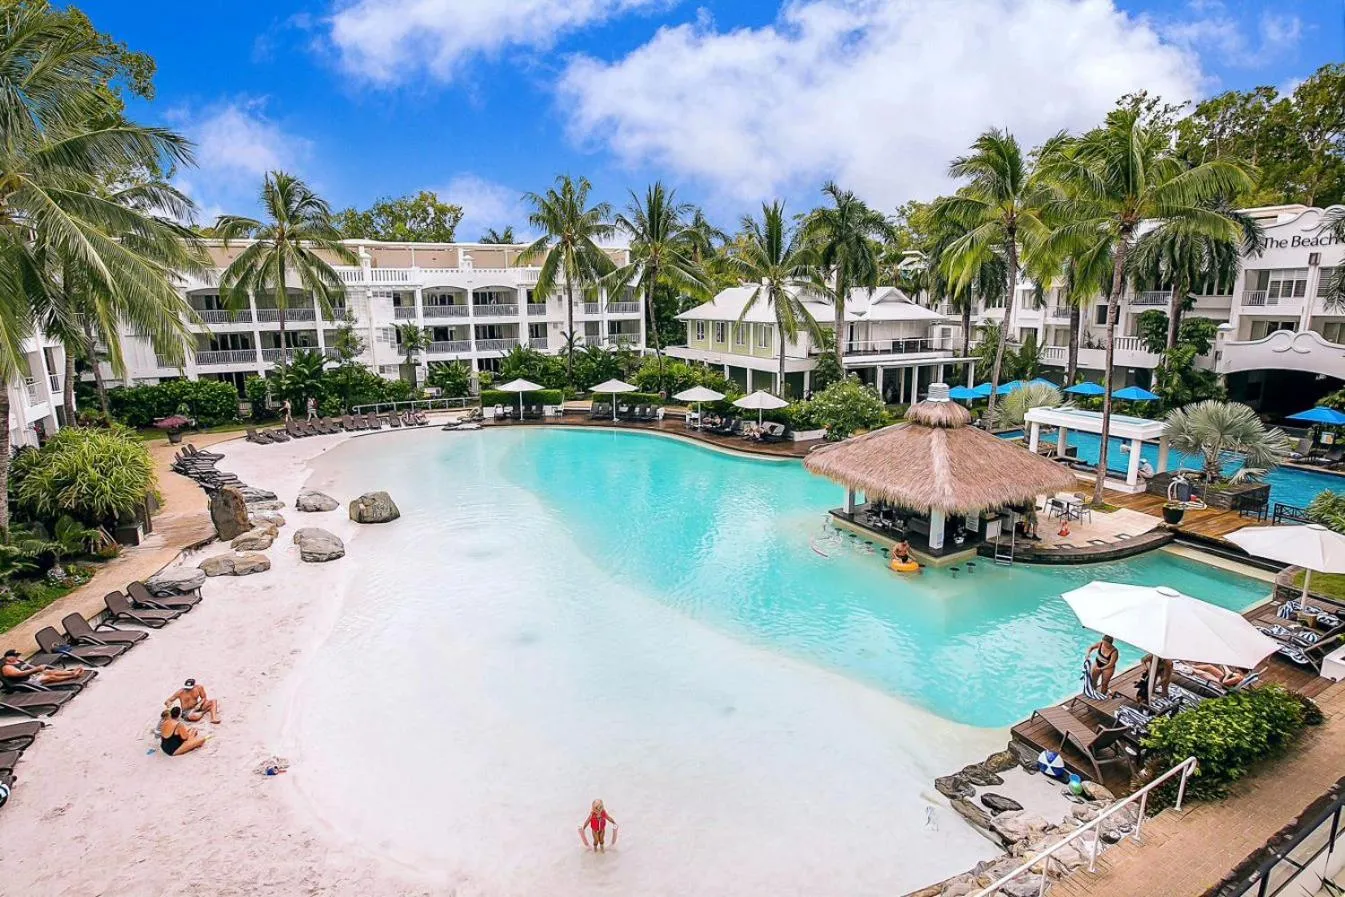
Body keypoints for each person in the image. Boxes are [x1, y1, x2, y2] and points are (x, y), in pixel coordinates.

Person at [2, 649, 89, 687]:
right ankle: (73, 676)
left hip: (33, 675)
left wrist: (37, 669)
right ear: (8, 657)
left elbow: (27, 667)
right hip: (26, 682)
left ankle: (72, 672)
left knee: (50, 671)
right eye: (15, 656)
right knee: (49, 677)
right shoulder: (7, 667)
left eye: (17, 655)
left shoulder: (17, 661)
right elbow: (19, 674)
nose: (17, 657)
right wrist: (36, 670)